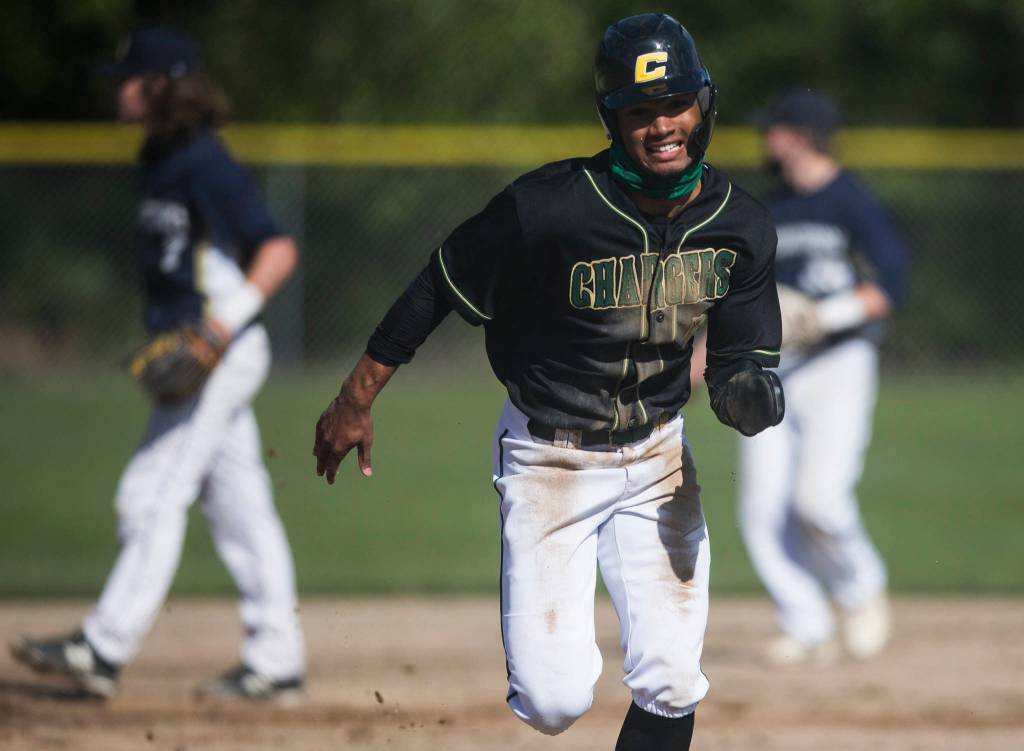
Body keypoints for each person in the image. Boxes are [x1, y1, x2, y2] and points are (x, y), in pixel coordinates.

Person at [313, 14, 783, 749]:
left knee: (670, 680)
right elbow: (440, 283)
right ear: (612, 120)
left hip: (657, 458)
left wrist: (746, 393)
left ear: (705, 106)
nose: (662, 125)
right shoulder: (550, 208)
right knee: (553, 700)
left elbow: (739, 364)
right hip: (549, 457)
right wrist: (355, 397)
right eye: (639, 111)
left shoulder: (740, 226)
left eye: (676, 104)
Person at [9, 27, 306, 702]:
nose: (119, 88)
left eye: (130, 77)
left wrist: (214, 331)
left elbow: (278, 249)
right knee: (242, 510)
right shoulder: (161, 158)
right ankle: (278, 659)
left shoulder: (205, 162)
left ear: (164, 85)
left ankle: (102, 647)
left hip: (221, 350)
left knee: (149, 494)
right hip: (202, 352)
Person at [738, 90, 908, 665]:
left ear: (800, 134)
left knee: (820, 501)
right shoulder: (772, 207)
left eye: (776, 128)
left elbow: (889, 285)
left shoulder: (850, 200)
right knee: (761, 508)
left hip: (839, 361)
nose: (767, 138)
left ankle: (861, 592)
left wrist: (824, 315)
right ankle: (805, 621)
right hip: (776, 368)